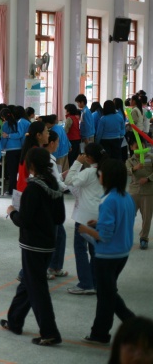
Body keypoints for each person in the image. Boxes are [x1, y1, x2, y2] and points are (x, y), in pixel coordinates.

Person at [1, 148, 64, 346]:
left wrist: (12, 212)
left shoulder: (33, 189)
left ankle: (50, 332)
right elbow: (60, 218)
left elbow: (24, 220)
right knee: (28, 283)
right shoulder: (54, 185)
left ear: (32, 165)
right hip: (48, 243)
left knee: (37, 289)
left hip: (32, 245)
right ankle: (15, 321)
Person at [78, 159, 136, 346]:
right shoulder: (126, 197)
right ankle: (102, 331)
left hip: (107, 256)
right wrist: (99, 223)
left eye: (101, 173)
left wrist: (86, 230)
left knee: (106, 295)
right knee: (108, 292)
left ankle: (124, 326)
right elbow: (120, 221)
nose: (99, 176)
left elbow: (104, 236)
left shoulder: (108, 201)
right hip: (122, 253)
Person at [64, 143, 106, 295]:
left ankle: (85, 283)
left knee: (80, 249)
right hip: (99, 215)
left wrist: (77, 163)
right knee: (95, 249)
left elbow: (69, 180)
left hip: (84, 217)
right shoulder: (106, 170)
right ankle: (95, 282)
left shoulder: (89, 172)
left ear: (88, 158)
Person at [43, 130, 69, 279]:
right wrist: (71, 184)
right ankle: (48, 267)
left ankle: (54, 266)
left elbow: (54, 179)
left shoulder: (46, 159)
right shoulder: (49, 161)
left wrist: (61, 176)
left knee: (59, 235)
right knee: (53, 236)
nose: (58, 145)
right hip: (51, 203)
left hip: (49, 202)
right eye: (58, 142)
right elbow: (56, 185)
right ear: (51, 143)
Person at [125, 133, 153, 250]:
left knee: (147, 217)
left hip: (148, 192)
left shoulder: (150, 157)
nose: (140, 149)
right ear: (131, 147)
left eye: (142, 146)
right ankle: (126, 237)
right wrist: (134, 168)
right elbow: (126, 171)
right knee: (128, 216)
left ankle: (144, 238)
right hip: (133, 192)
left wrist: (148, 179)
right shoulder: (129, 160)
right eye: (137, 147)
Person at [1, 107, 28, 194]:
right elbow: (20, 135)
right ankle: (18, 187)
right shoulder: (17, 122)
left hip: (10, 150)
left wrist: (1, 148)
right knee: (18, 170)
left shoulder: (5, 125)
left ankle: (11, 189)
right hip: (19, 148)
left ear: (3, 117)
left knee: (12, 171)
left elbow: (4, 138)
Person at [17, 121, 50, 192]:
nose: (48, 135)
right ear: (39, 135)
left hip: (22, 188)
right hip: (29, 190)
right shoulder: (36, 152)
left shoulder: (29, 149)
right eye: (47, 132)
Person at [114, 97, 129, 162]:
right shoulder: (121, 111)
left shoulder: (117, 113)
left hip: (120, 134)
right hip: (122, 133)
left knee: (120, 151)